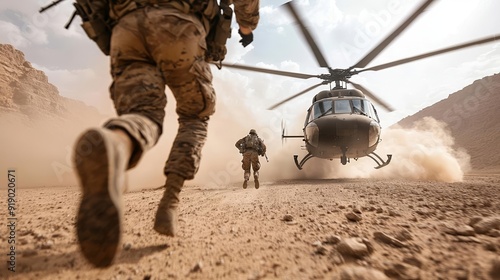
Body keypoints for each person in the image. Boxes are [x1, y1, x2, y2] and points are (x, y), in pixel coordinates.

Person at [72, 0, 260, 268]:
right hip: (180, 27)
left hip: (126, 31)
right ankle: (169, 203)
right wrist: (246, 26)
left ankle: (116, 144)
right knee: (195, 116)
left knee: (142, 113)